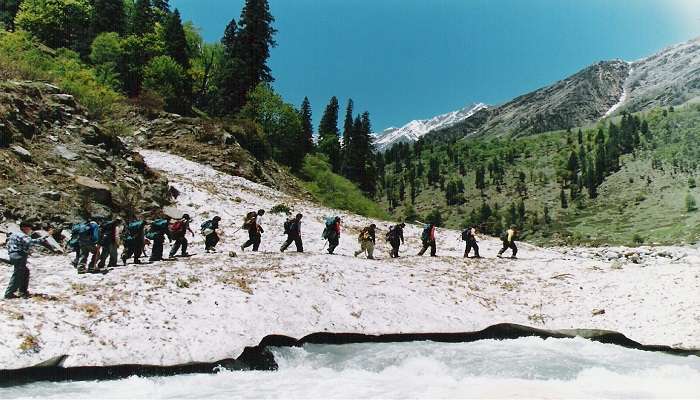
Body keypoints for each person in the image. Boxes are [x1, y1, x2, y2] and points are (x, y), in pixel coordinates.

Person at [4, 222, 54, 299]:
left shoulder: (14, 234)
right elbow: (31, 242)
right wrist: (46, 236)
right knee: (18, 274)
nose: (30, 229)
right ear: (24, 228)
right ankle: (9, 293)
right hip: (19, 255)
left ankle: (22, 291)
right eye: (29, 227)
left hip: (13, 255)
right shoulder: (22, 235)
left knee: (25, 272)